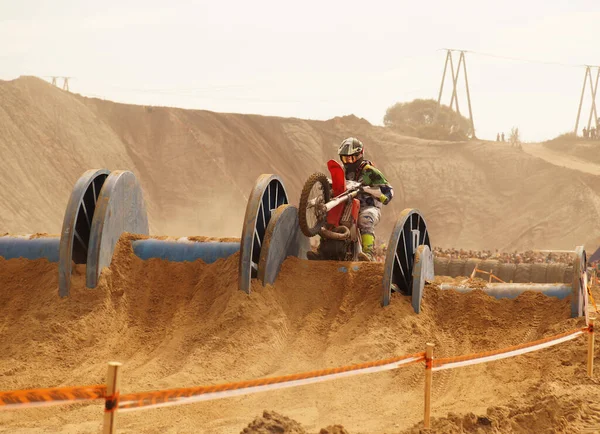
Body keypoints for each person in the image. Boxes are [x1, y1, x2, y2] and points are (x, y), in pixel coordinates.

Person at [337, 137, 394, 261]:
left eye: (351, 158)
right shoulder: (341, 170)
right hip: (347, 206)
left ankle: (368, 254)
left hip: (369, 207)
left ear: (359, 155)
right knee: (330, 218)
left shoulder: (370, 171)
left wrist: (368, 190)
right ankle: (323, 251)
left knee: (365, 219)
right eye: (345, 158)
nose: (348, 162)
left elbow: (389, 191)